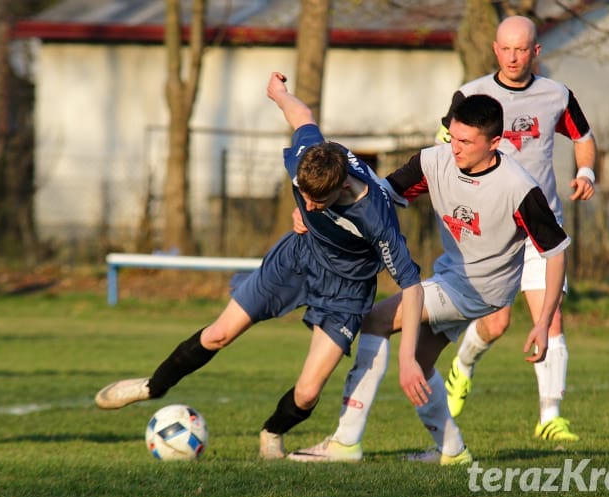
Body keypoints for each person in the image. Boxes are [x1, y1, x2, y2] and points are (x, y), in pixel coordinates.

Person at [94, 71, 426, 460]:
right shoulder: (311, 157)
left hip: (346, 290)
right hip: (298, 257)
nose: (308, 204)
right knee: (219, 333)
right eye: (303, 196)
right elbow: (302, 116)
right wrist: (279, 93)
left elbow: (413, 286)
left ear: (342, 188)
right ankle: (152, 387)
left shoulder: (377, 218)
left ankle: (271, 433)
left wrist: (408, 358)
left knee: (308, 392)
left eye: (318, 202)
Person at [285, 93, 570, 465]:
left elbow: (556, 252)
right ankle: (453, 453)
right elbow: (378, 197)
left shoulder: (519, 188)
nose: (456, 148)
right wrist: (315, 205)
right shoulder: (434, 160)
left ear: (495, 143)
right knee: (420, 363)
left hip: (478, 289)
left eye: (467, 142)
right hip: (453, 277)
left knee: (376, 320)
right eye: (453, 137)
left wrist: (544, 321)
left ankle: (345, 441)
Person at [436, 15, 597, 442]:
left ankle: (550, 417)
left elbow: (583, 136)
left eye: (521, 49)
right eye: (505, 48)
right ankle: (464, 365)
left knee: (551, 318)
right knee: (497, 323)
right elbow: (443, 148)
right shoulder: (471, 94)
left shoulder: (556, 95)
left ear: (535, 52)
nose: (512, 57)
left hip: (539, 224)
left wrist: (587, 172)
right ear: (494, 49)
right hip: (492, 229)